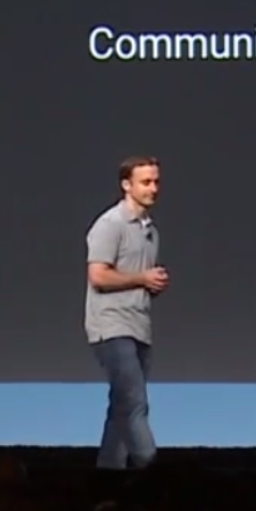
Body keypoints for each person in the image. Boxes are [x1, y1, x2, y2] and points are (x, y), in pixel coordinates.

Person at [85, 155, 169, 469]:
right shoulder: (110, 224)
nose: (153, 188)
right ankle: (154, 471)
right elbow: (98, 276)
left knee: (121, 407)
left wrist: (150, 284)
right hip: (111, 327)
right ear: (126, 185)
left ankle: (107, 474)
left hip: (139, 326)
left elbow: (133, 277)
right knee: (134, 402)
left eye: (156, 181)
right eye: (145, 182)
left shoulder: (151, 231)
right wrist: (142, 278)